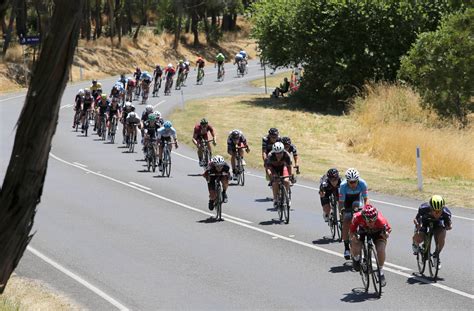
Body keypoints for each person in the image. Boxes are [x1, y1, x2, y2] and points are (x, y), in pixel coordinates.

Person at [350, 204, 391, 287]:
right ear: (364, 218)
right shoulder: (357, 217)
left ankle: (380, 271)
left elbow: (388, 231)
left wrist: (385, 235)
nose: (372, 223)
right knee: (355, 243)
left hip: (377, 232)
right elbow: (351, 232)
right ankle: (356, 258)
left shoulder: (381, 220)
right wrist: (354, 238)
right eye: (369, 221)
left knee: (381, 249)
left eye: (374, 220)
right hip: (362, 231)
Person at [412, 195, 452, 268]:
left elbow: (449, 223)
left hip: (437, 224)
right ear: (430, 208)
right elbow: (416, 219)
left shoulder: (446, 213)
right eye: (434, 211)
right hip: (425, 223)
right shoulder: (423, 209)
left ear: (442, 208)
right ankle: (415, 243)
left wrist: (449, 226)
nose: (437, 213)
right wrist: (417, 224)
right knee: (419, 238)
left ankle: (436, 255)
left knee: (442, 235)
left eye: (439, 211)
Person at [339, 168, 369, 259]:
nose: (353, 184)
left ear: (358, 180)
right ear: (347, 181)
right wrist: (341, 212)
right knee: (346, 221)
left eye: (354, 182)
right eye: (350, 182)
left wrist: (366, 209)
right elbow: (341, 202)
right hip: (346, 201)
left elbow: (366, 199)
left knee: (362, 216)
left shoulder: (362, 184)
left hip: (357, 199)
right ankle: (346, 248)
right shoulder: (343, 186)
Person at [265, 142, 294, 208]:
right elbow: (268, 169)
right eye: (277, 153)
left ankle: (286, 197)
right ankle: (275, 199)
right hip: (273, 168)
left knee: (286, 181)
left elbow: (290, 166)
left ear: (283, 151)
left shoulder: (286, 154)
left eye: (280, 153)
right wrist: (271, 176)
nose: (278, 155)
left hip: (283, 167)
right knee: (275, 182)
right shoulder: (270, 156)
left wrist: (291, 175)